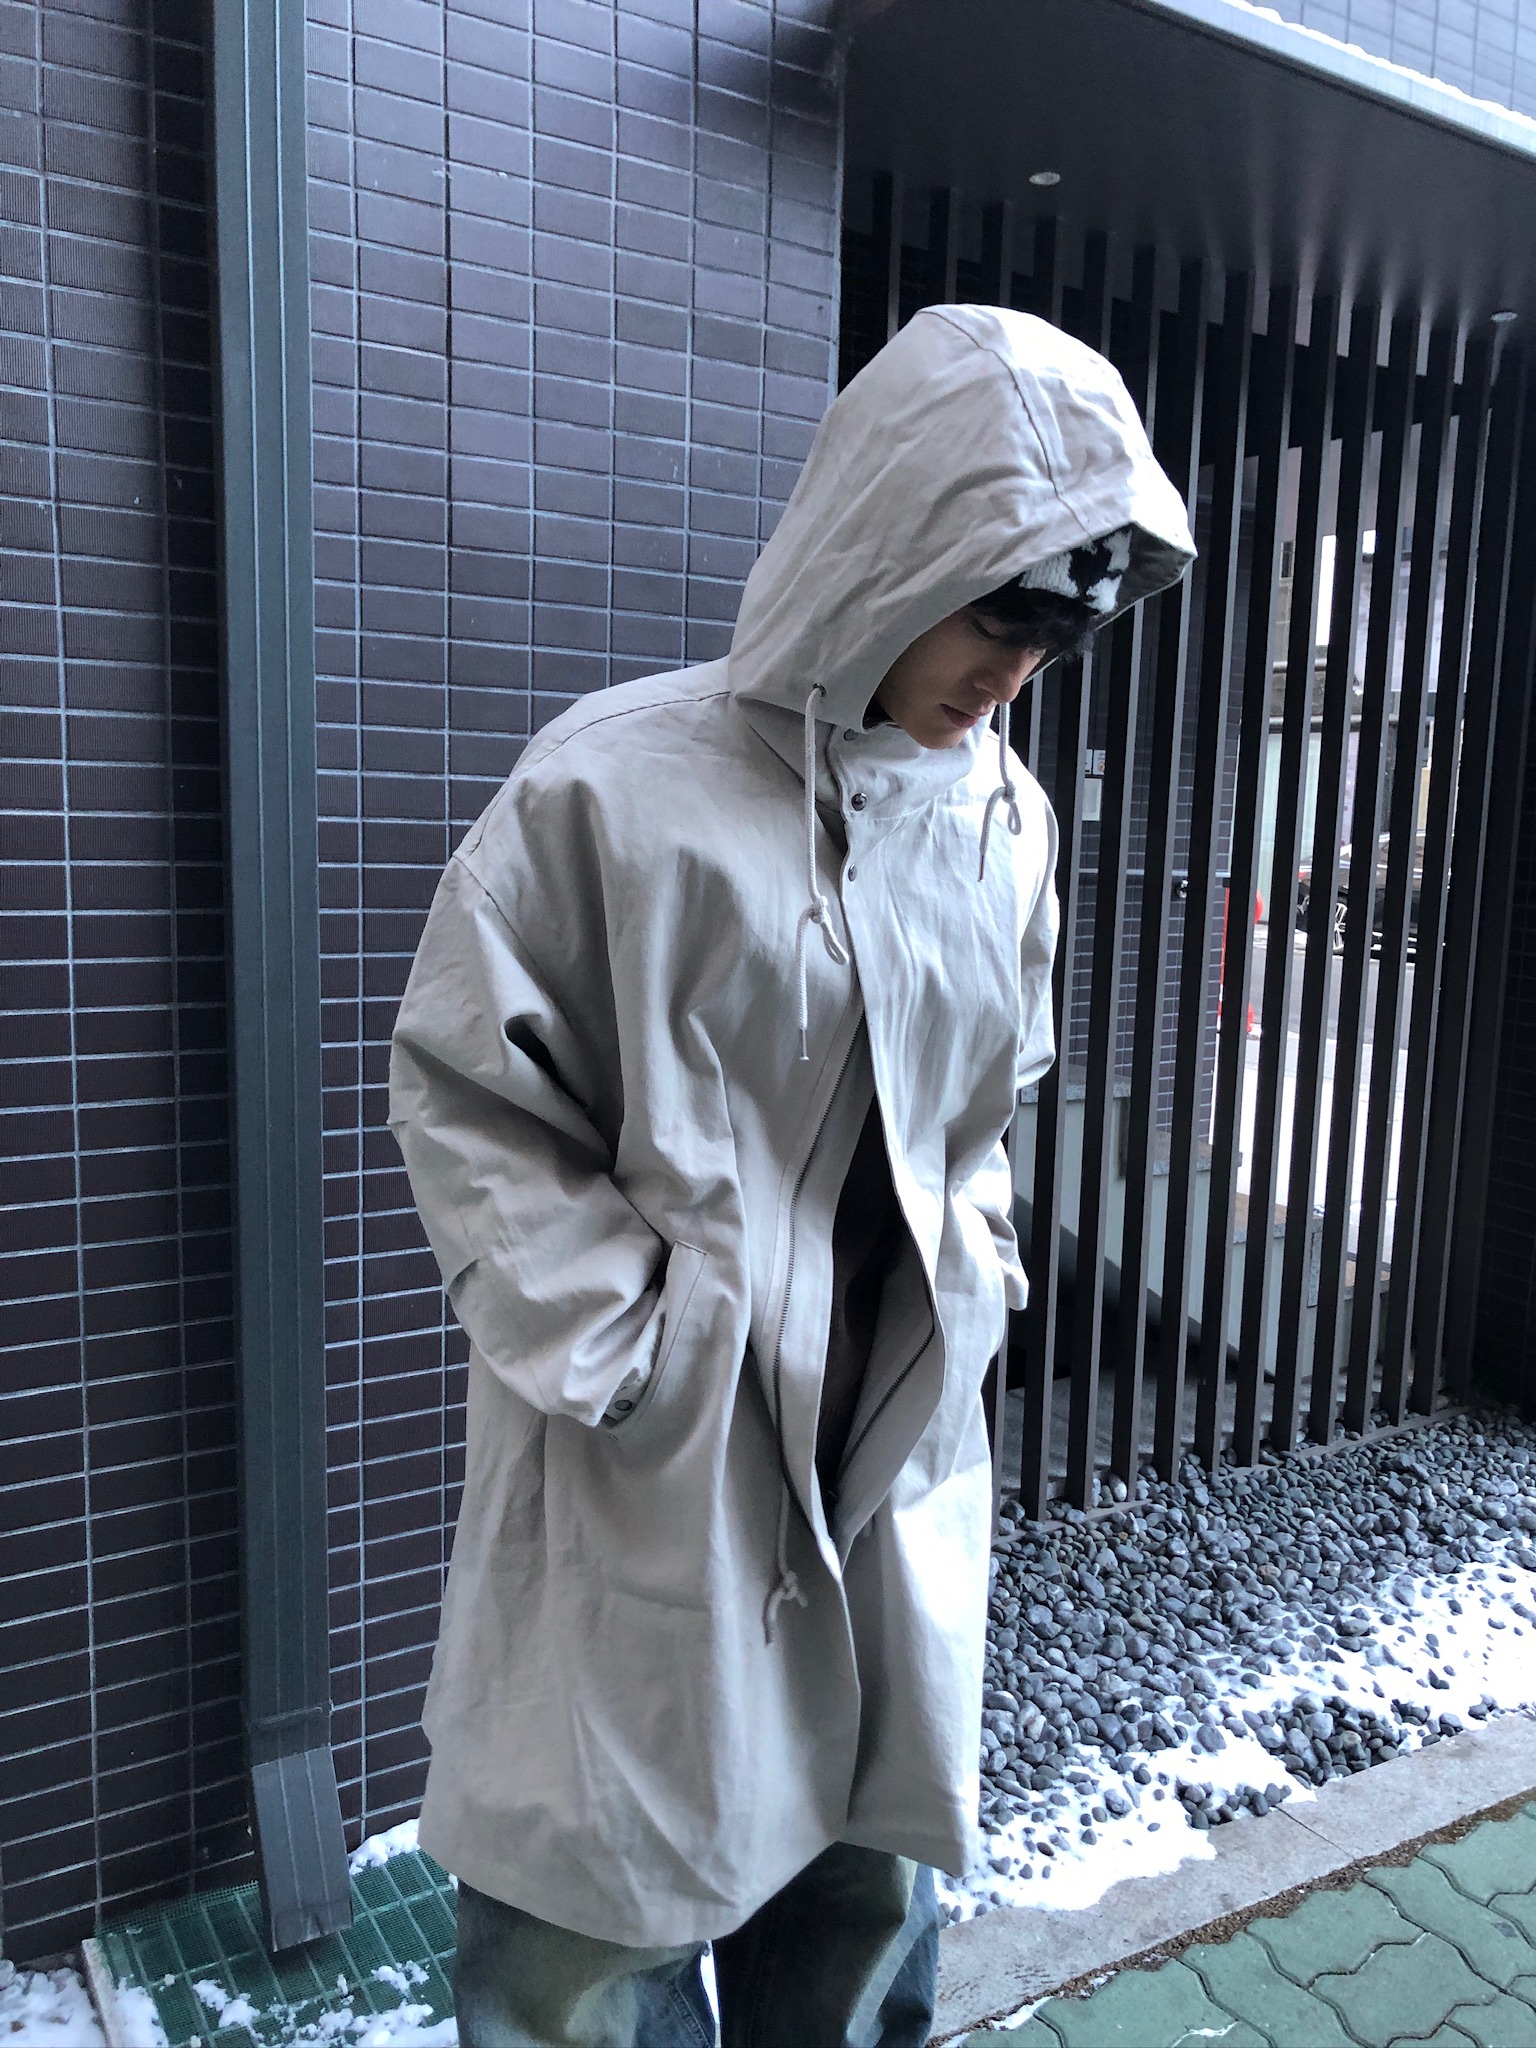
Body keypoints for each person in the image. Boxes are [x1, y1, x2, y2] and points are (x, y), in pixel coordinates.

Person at [389, 304, 1195, 2047]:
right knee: (583, 1948)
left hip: (886, 1454)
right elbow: (469, 1093)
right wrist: (641, 1354)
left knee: (856, 1900)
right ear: (898, 550)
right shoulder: (616, 790)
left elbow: (993, 1099)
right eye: (1000, 616)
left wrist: (974, 1275)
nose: (1018, 675)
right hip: (661, 1459)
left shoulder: (1004, 822)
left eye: (1062, 635)